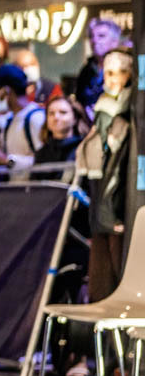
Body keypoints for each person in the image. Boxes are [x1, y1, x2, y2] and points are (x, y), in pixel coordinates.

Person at [76, 49, 136, 304]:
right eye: (110, 72)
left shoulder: (131, 108)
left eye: (122, 72)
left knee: (119, 263)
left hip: (122, 198)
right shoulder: (104, 107)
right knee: (101, 274)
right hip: (102, 192)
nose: (115, 78)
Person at [0, 64, 45, 176]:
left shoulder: (35, 118)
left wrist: (6, 160)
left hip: (34, 191)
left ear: (6, 92)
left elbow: (44, 163)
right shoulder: (10, 121)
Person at [75, 18, 123, 115]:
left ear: (115, 41)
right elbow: (79, 100)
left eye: (101, 36)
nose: (95, 40)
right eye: (92, 36)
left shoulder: (124, 66)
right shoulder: (87, 69)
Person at [33, 96, 86, 166]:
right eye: (51, 113)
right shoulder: (40, 154)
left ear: (75, 118)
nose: (56, 117)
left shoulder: (85, 149)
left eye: (63, 112)